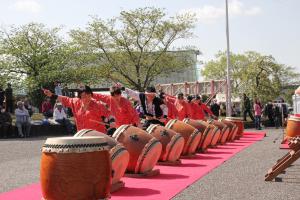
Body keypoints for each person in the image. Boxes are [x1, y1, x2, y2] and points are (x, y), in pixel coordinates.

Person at [43, 85, 110, 133]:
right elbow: (65, 99)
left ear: (91, 95)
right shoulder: (76, 102)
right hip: (82, 134)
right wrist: (51, 95)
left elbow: (109, 114)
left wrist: (112, 121)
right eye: (84, 96)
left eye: (89, 95)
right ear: (79, 97)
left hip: (99, 135)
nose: (87, 98)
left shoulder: (98, 105)